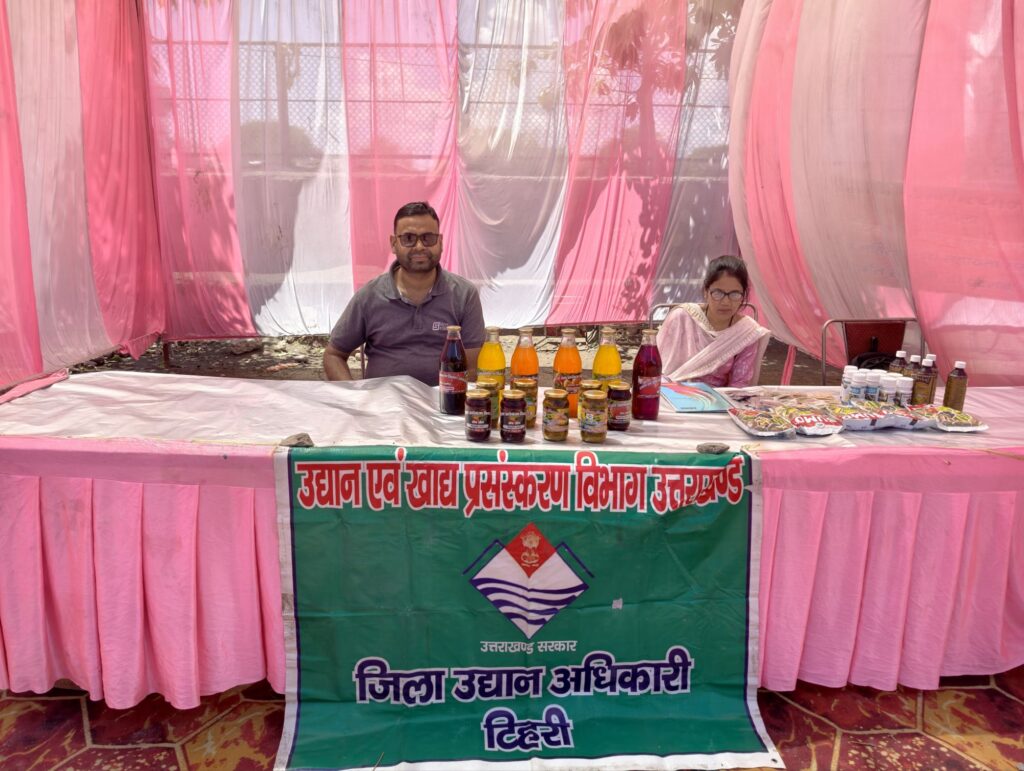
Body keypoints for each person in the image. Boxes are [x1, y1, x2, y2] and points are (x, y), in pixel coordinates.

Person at [324, 202, 485, 385]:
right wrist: (353, 395)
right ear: (394, 244)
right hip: (381, 401)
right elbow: (333, 355)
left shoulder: (464, 295)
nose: (419, 246)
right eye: (408, 238)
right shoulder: (369, 297)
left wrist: (451, 398)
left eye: (428, 238)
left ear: (440, 242)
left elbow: (472, 368)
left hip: (444, 400)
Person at [656, 255, 770, 387]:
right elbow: (656, 369)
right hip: (671, 392)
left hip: (718, 397)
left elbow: (740, 385)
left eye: (734, 294)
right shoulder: (681, 318)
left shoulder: (747, 333)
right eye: (718, 293)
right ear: (706, 292)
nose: (726, 302)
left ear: (743, 296)